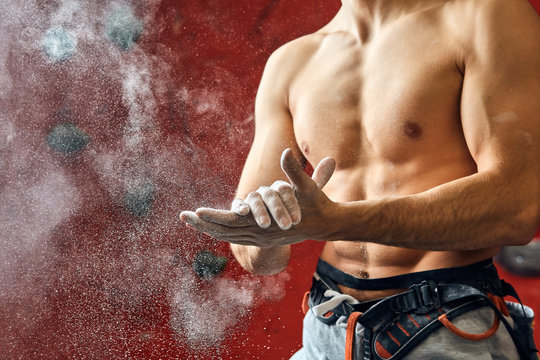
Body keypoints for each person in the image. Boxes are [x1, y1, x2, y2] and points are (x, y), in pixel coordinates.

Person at [181, 0, 540, 358]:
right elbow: (260, 254)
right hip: (326, 329)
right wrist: (266, 226)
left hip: (445, 323)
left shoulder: (483, 15)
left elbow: (517, 207)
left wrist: (338, 222)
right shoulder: (290, 63)